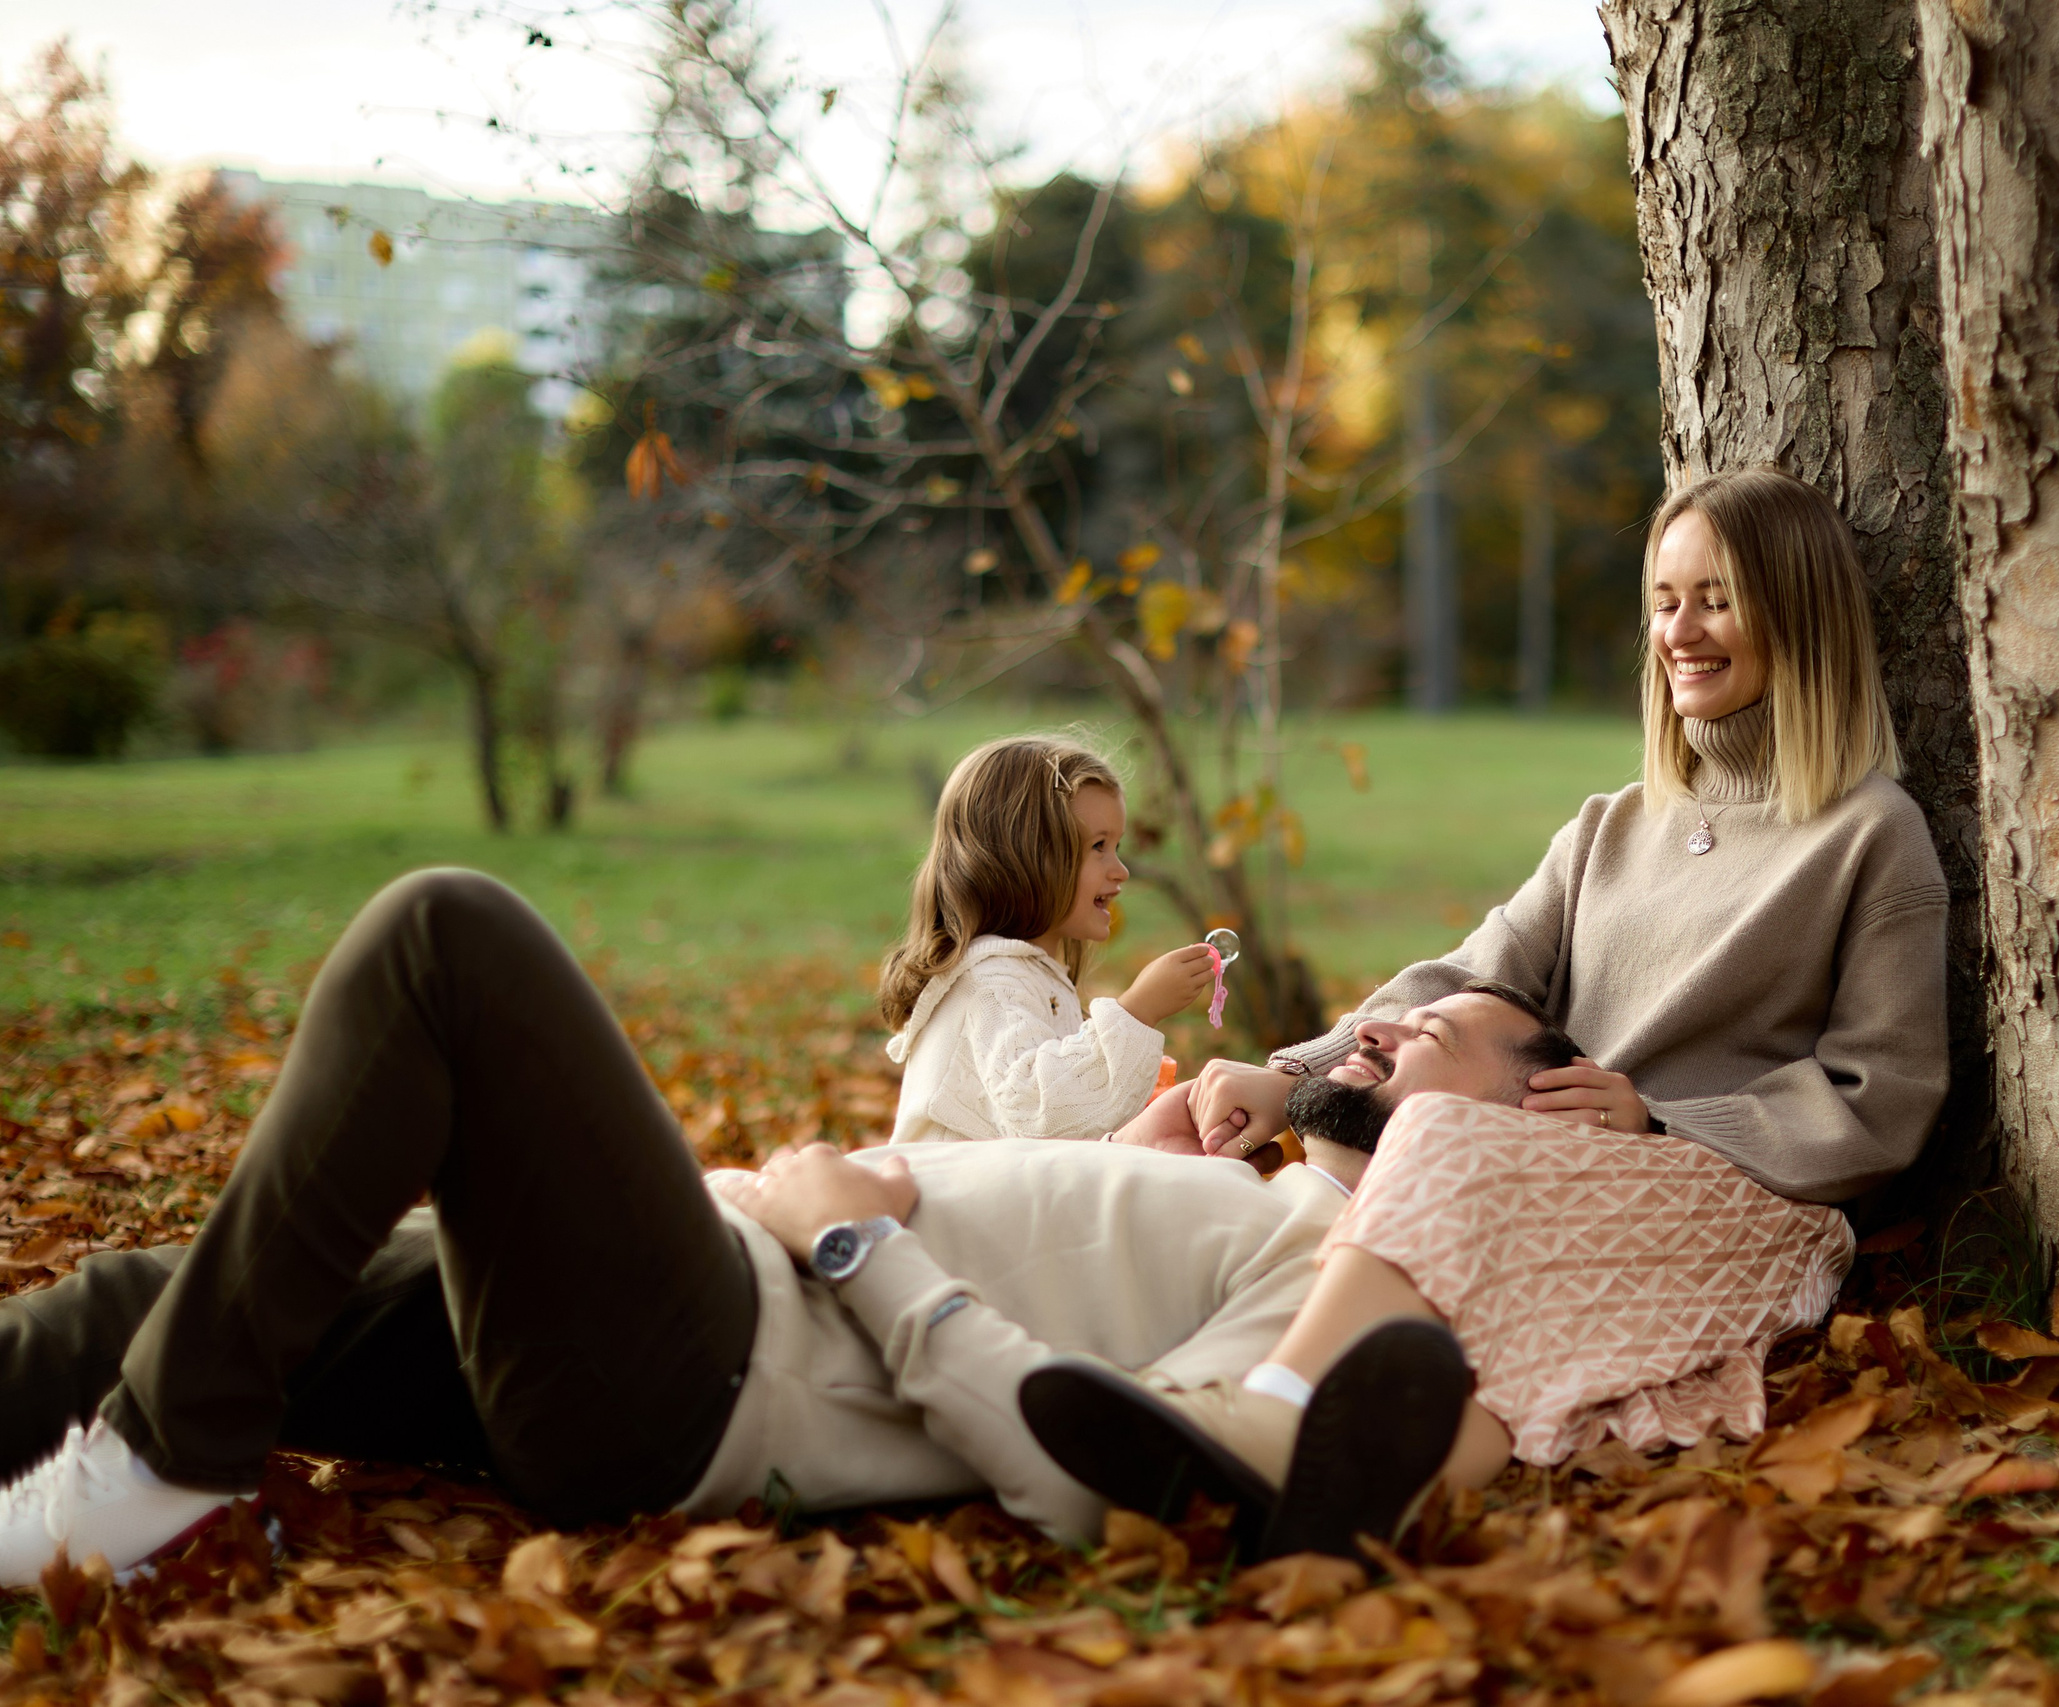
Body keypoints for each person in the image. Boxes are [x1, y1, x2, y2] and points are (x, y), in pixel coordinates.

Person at [0, 865, 1573, 1580]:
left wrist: (851, 1238)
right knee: (130, 1298)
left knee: (444, 938)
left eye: (1434, 1035)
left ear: (1528, 1109)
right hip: (672, 1283)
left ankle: (158, 1467)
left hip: (714, 1365)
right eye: (1373, 1024)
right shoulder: (1250, 1187)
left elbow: (1095, 1469)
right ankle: (133, 1434)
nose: (1374, 1030)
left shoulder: (1337, 1273)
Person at [1055, 467, 1951, 1511]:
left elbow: (1882, 1097)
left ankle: (1264, 1411)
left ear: (1795, 612)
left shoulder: (1868, 835)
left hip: (1734, 1197)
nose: (1682, 632)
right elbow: (1466, 977)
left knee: (1440, 1135)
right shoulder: (1611, 827)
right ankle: (1355, 1503)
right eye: (1665, 602)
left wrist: (1660, 1121)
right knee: (1470, 1302)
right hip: (1556, 1171)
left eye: (1717, 599)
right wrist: (1292, 1072)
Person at [879, 736, 1220, 1146]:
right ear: (1026, 856)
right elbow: (1040, 1114)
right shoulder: (990, 987)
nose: (1120, 870)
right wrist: (1138, 1011)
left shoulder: (1025, 974)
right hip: (951, 1201)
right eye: (1099, 846)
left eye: (1117, 846)